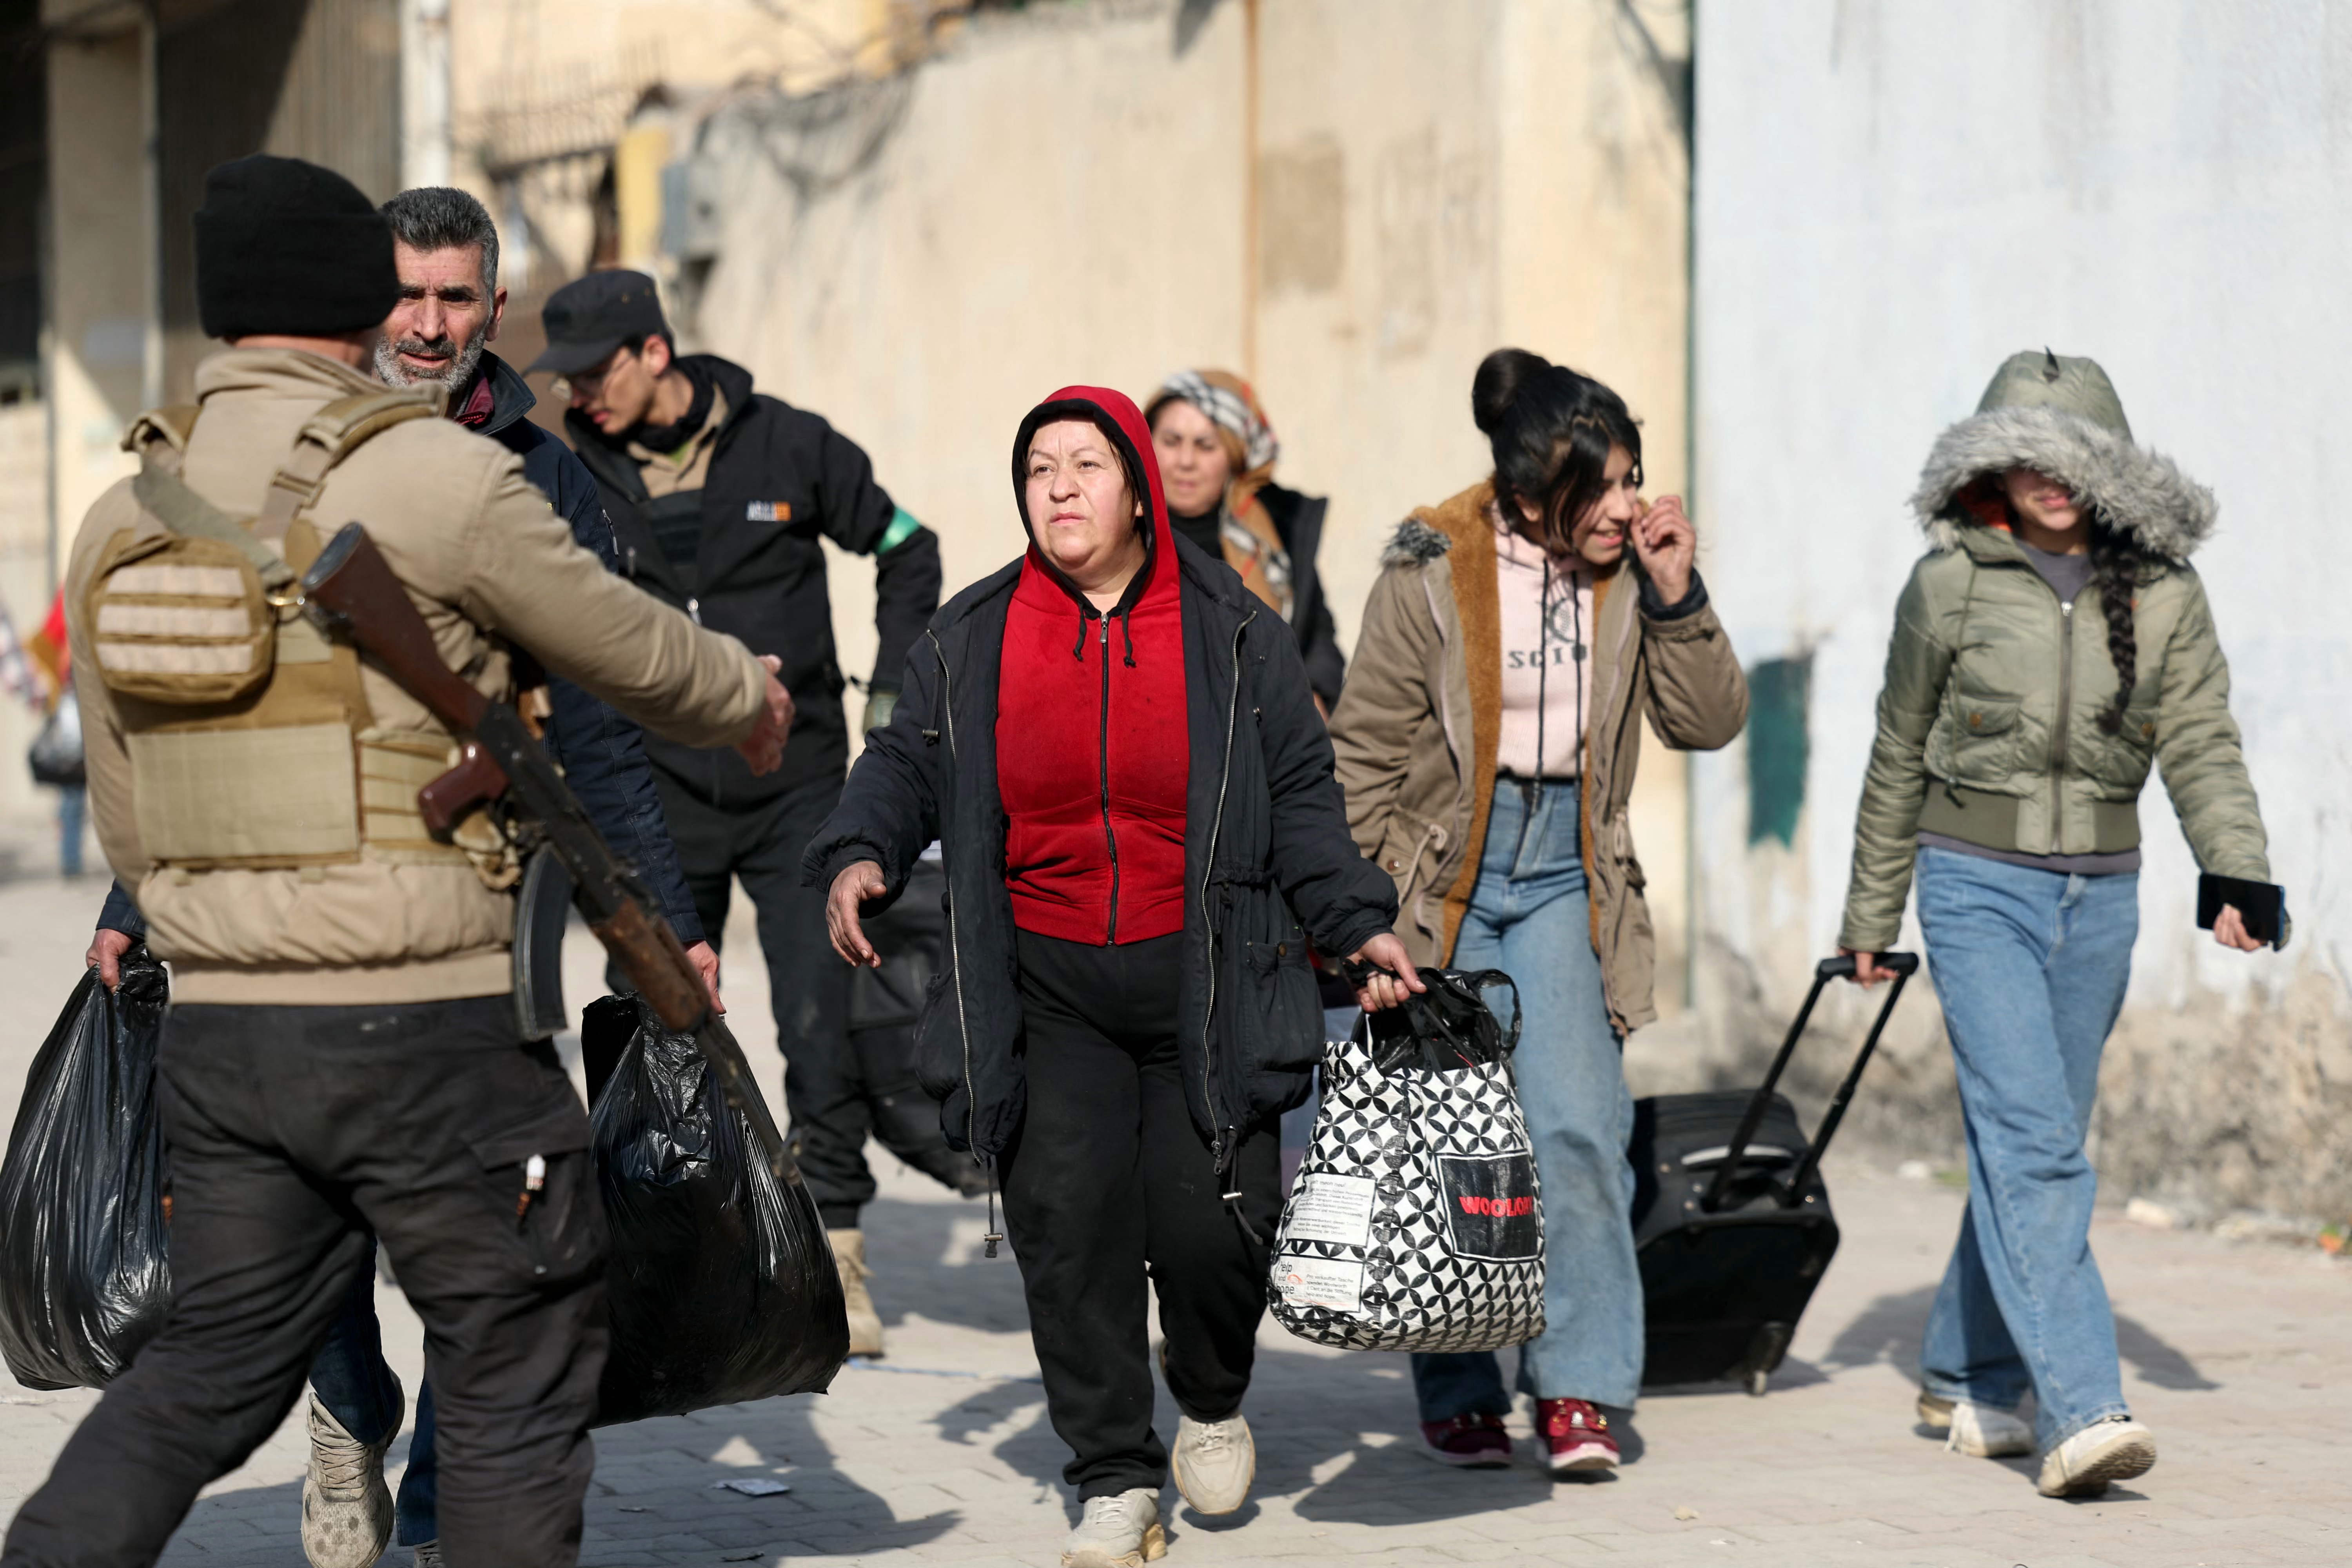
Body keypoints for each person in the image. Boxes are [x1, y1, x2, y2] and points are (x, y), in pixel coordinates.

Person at [0, 154, 790, 1568]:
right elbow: (628, 659)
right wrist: (749, 693)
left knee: (207, 1365)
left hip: (225, 1035)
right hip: (424, 1021)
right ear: (360, 299)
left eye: (451, 297)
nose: (425, 320)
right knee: (521, 1331)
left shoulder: (127, 512)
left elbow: (128, 799)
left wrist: (191, 920)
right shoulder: (445, 476)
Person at [802, 385, 1418, 1568]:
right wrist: (860, 848)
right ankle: (1114, 1475)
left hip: (1207, 976)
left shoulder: (1231, 629)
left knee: (1212, 1231)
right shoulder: (972, 635)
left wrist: (1354, 920)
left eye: (1086, 465)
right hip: (1044, 982)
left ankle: (1210, 1389)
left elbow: (1300, 789)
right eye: (1040, 468)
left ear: (1137, 490)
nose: (1061, 487)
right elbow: (901, 761)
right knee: (1067, 1227)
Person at [1837, 349, 2278, 1499]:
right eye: (2023, 455)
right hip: (1973, 883)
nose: (2048, 477)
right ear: (1989, 464)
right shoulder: (1948, 583)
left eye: (2071, 456)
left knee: (2029, 1137)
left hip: (2102, 896)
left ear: (2110, 468)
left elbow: (2200, 739)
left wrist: (2236, 870)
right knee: (2034, 1142)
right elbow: (1896, 750)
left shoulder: (2165, 591)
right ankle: (2079, 1407)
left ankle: (1964, 1369)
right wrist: (1869, 914)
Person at [1327, 348, 1748, 1474]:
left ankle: (1578, 1387)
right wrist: (1359, 916)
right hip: (1445, 875)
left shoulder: (1634, 575)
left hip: (1570, 870)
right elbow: (1363, 752)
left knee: (1574, 1129)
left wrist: (1678, 593)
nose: (1625, 506)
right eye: (1598, 488)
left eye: (1632, 479)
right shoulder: (1429, 571)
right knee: (1452, 1139)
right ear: (1526, 494)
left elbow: (1708, 722)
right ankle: (1462, 1381)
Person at [532, 271, 942, 1357]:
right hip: (652, 791)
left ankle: (837, 1253)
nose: (578, 394)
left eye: (593, 371)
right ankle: (666, 1258)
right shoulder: (567, 471)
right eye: (564, 378)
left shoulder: (790, 444)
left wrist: (888, 708)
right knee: (654, 1017)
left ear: (654, 352)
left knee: (819, 1022)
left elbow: (908, 545)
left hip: (797, 790)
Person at [1144, 370, 1345, 708]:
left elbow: (1317, 638)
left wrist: (1314, 698)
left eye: (1206, 446)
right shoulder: (1122, 535)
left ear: (1236, 454)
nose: (1185, 462)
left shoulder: (1275, 536)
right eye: (1171, 442)